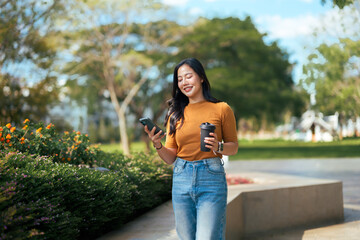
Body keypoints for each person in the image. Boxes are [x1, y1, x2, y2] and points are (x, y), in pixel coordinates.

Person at [143, 57, 238, 240]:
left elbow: (233, 147)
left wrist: (218, 146)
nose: (184, 82)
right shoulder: (174, 113)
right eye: (180, 79)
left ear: (201, 77)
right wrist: (157, 144)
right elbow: (171, 157)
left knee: (206, 237)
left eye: (189, 76)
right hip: (181, 176)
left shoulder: (221, 109)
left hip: (211, 177)